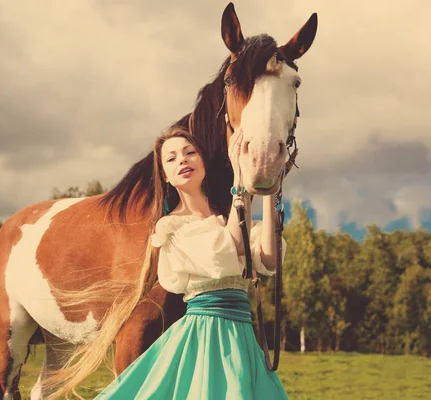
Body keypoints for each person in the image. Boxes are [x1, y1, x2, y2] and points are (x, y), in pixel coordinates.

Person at [90, 125, 289, 399]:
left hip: (243, 335)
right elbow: (229, 248)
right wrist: (240, 182)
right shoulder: (172, 228)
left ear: (203, 160)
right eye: (171, 158)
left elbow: (269, 257)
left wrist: (268, 185)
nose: (182, 160)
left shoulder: (225, 218)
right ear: (165, 176)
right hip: (205, 336)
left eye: (190, 152)